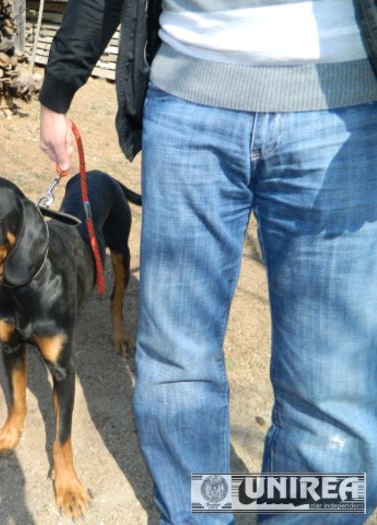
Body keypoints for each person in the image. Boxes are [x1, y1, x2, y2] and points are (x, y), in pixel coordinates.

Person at [38, 0, 377, 523]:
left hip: (343, 110)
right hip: (188, 104)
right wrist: (59, 86)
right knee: (178, 368)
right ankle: (198, 514)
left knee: (330, 389)